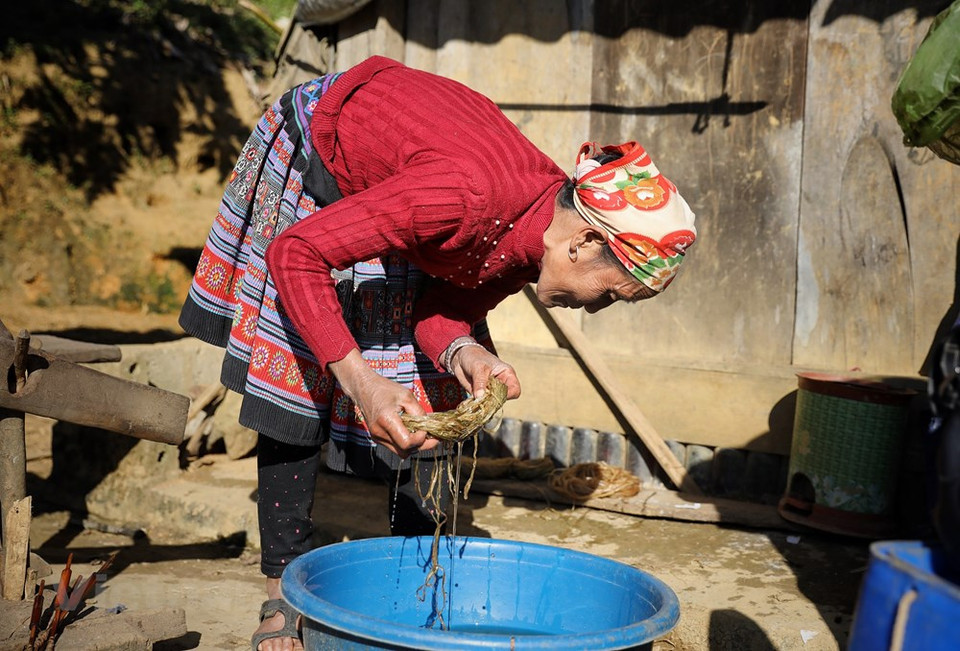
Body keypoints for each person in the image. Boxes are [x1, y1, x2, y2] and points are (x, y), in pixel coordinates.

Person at [178, 55, 697, 651]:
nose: (600, 309)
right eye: (611, 293)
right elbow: (296, 254)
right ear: (582, 242)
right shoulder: (463, 196)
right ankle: (281, 588)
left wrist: (466, 354)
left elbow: (436, 312)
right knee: (299, 376)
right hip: (322, 152)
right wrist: (360, 378)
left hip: (407, 185)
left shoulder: (532, 239)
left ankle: (409, 583)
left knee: (434, 397)